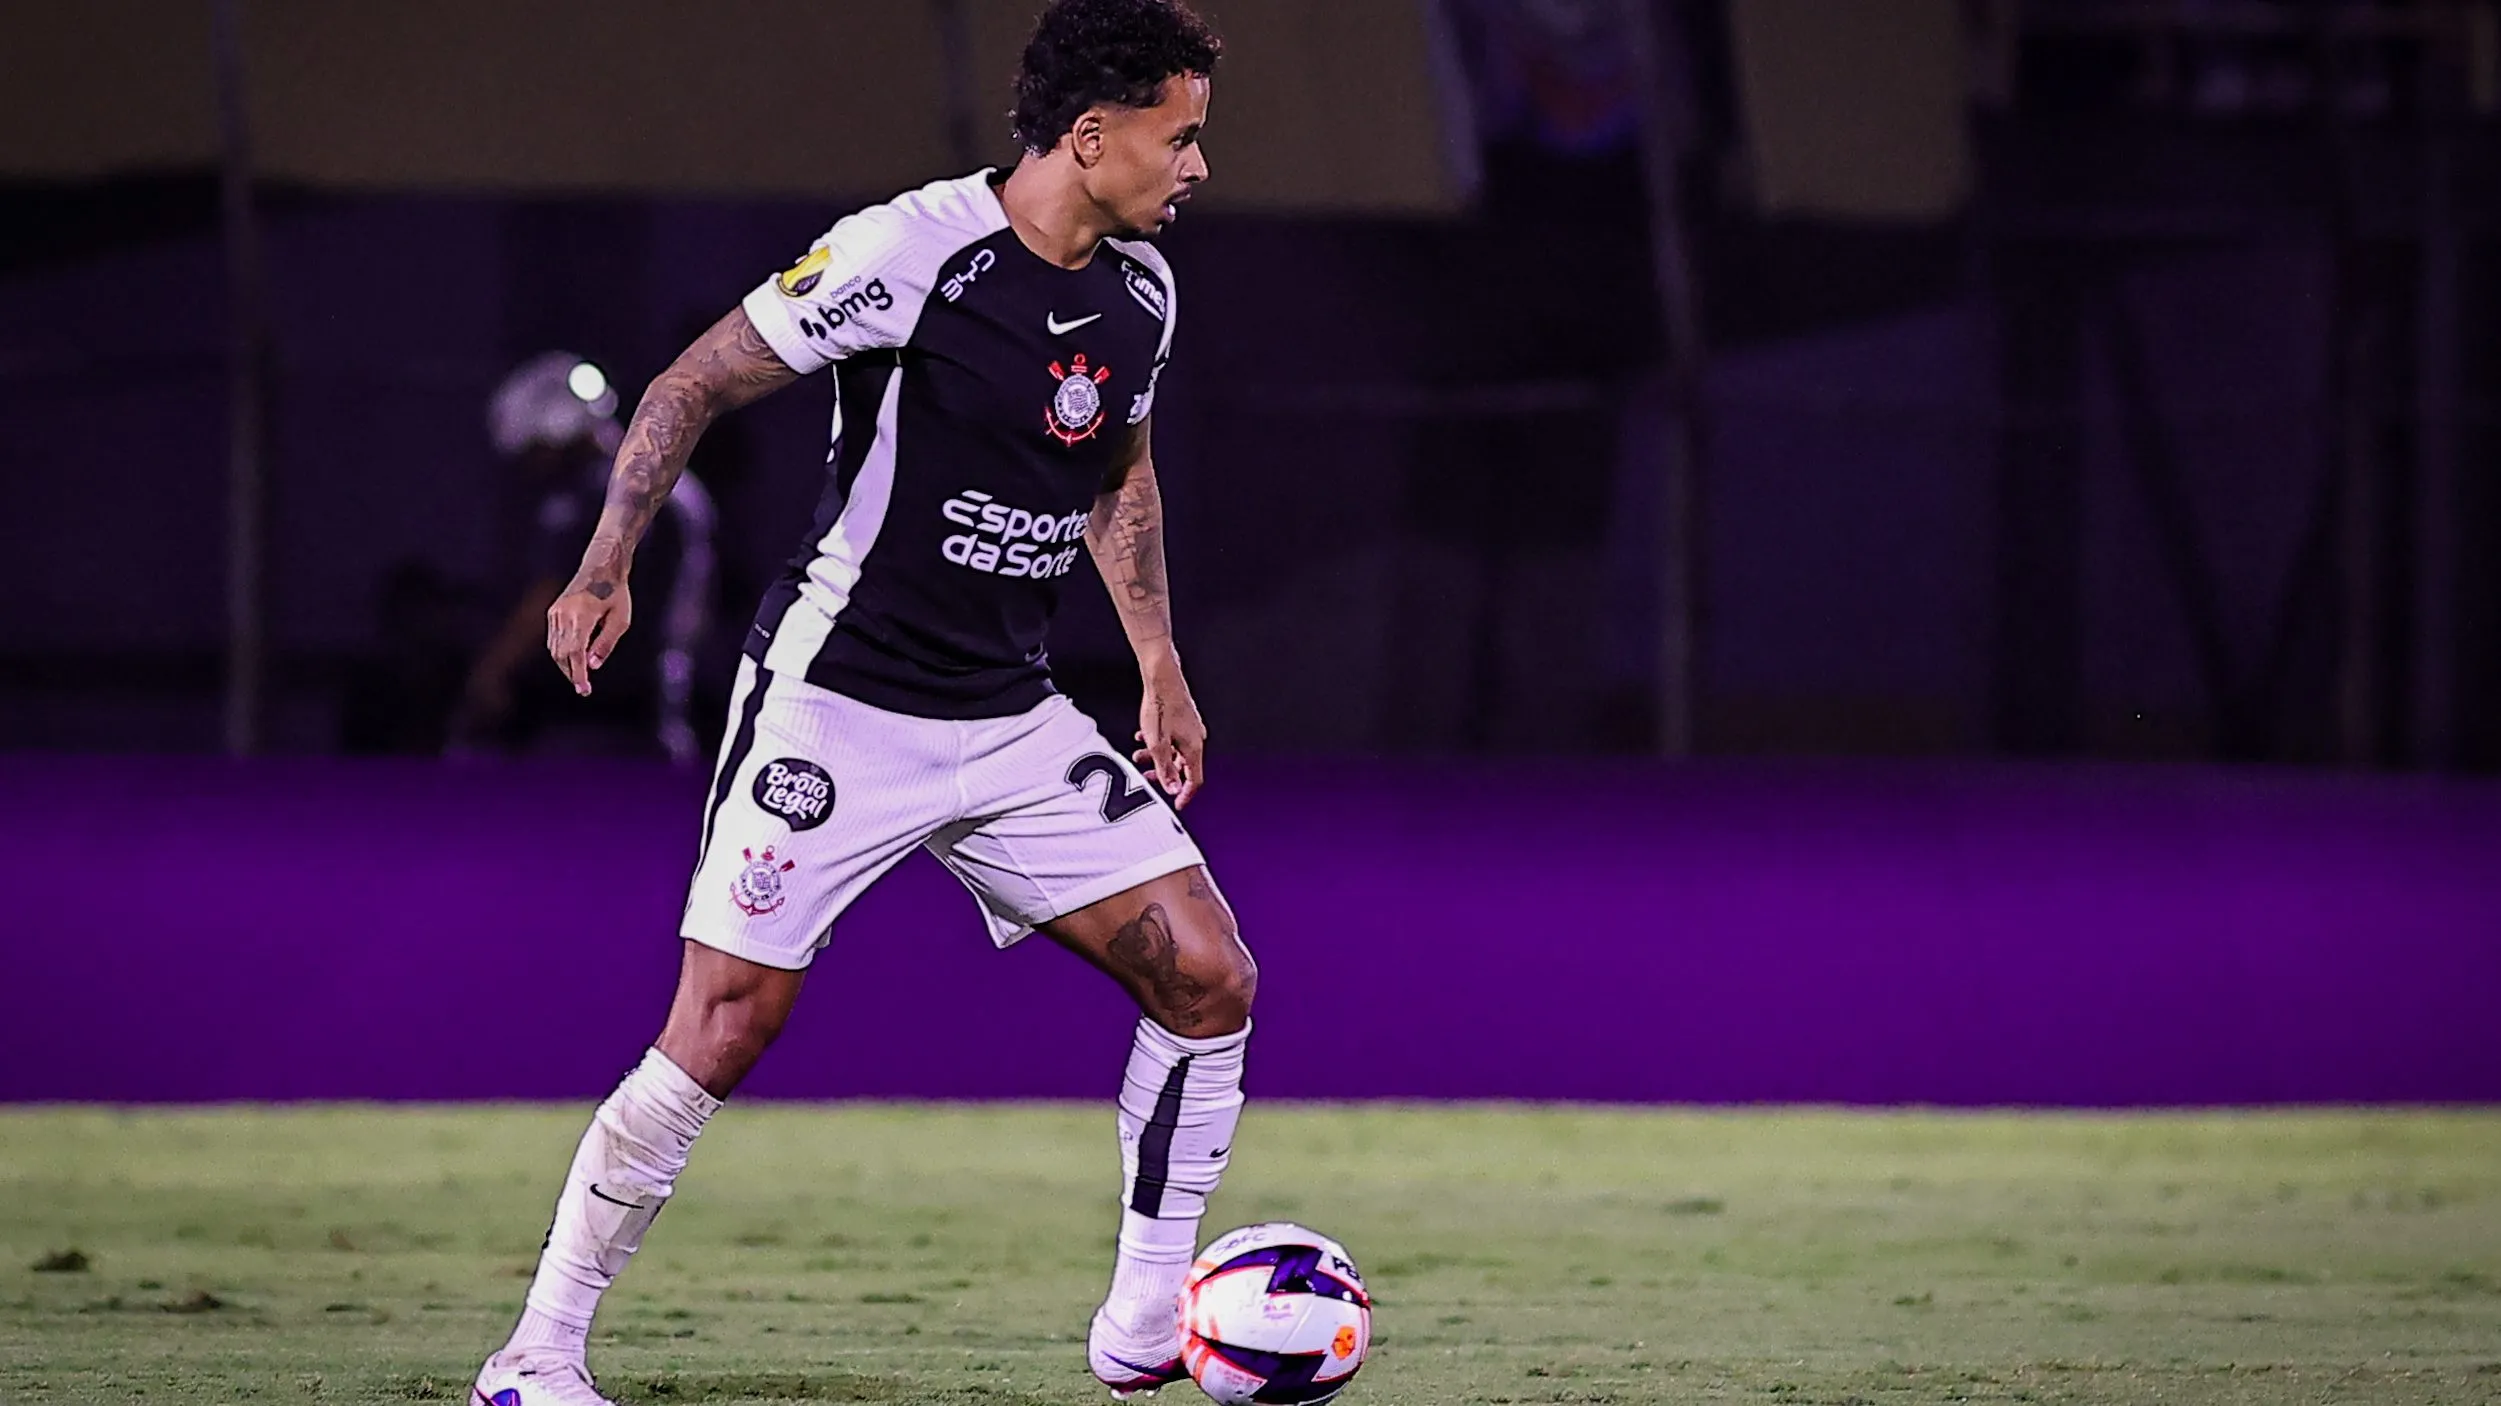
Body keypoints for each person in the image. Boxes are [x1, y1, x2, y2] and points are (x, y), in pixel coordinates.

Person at [469, 3, 1244, 1403]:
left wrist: (1159, 663)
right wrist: (605, 563)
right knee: (724, 1023)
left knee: (1207, 975)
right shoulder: (909, 250)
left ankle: (1141, 1323)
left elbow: (1121, 478)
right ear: (1092, 136)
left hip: (1010, 717)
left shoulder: (1143, 296)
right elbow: (694, 378)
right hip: (838, 703)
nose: (1195, 166)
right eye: (1179, 136)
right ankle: (535, 1354)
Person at [455, 351, 718, 764]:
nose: (533, 468)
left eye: (535, 450)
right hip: (663, 710)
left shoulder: (595, 495)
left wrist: (492, 672)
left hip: (593, 718)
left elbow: (551, 594)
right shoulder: (680, 486)